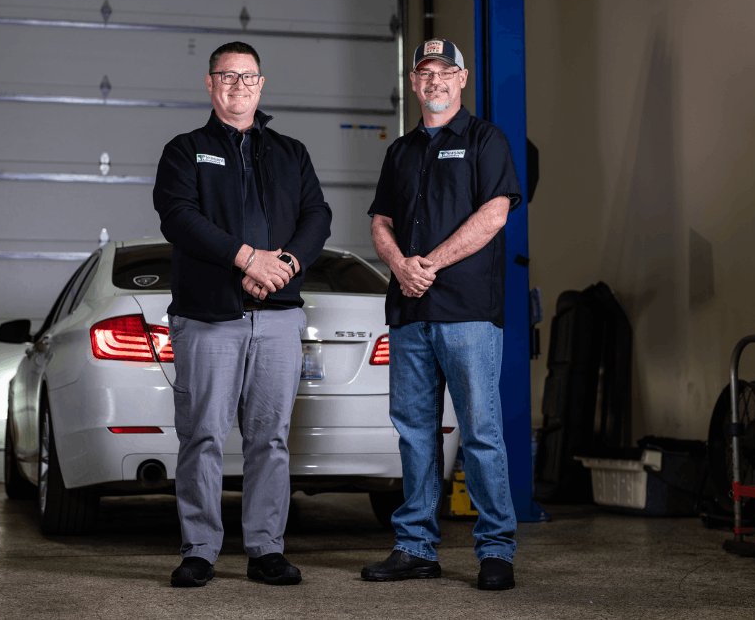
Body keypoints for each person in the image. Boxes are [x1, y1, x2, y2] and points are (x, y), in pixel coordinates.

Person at [153, 42, 331, 588]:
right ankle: (200, 550)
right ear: (210, 84)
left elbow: (316, 215)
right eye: (226, 77)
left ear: (261, 85)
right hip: (209, 318)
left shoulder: (291, 152)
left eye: (247, 78)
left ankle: (265, 549)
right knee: (203, 435)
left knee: (270, 439)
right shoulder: (186, 151)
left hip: (277, 317)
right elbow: (178, 217)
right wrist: (245, 258)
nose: (238, 86)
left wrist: (286, 264)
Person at [361, 38, 523, 591]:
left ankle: (496, 548)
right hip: (409, 312)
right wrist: (400, 266)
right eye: (424, 71)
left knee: (480, 431)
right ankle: (415, 547)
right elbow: (380, 222)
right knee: (414, 433)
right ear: (413, 83)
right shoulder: (400, 152)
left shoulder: (485, 140)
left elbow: (495, 213)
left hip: (468, 312)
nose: (434, 80)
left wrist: (428, 262)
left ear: (462, 79)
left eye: (444, 71)